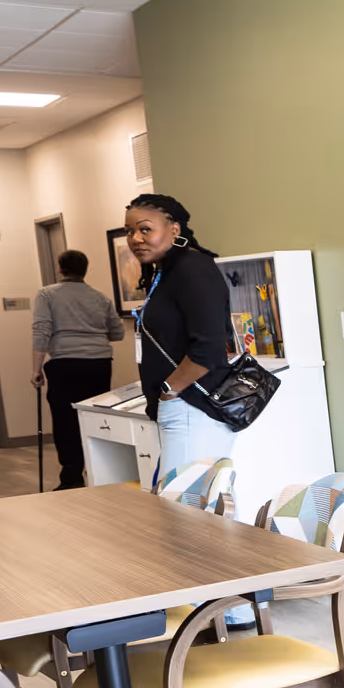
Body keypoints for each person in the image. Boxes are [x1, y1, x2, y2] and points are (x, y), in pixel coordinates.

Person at [127, 193, 236, 484]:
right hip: (178, 405)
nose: (136, 238)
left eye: (145, 229)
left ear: (174, 229)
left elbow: (209, 347)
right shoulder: (166, 272)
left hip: (192, 406)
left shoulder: (193, 269)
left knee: (186, 509)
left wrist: (169, 390)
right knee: (191, 506)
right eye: (130, 231)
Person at [31, 249, 124, 490]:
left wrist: (36, 369)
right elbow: (118, 333)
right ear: (85, 270)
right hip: (99, 364)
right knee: (92, 417)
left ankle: (71, 477)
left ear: (60, 269)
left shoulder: (47, 294)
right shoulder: (100, 297)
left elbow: (42, 330)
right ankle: (99, 471)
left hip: (64, 363)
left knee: (65, 421)